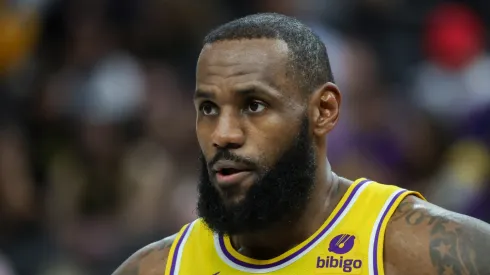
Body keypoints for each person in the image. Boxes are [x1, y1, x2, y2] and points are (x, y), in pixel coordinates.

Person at [112, 13, 490, 275]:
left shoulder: (421, 248)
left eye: (253, 105)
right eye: (208, 108)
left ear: (323, 111)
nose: (223, 133)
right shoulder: (157, 268)